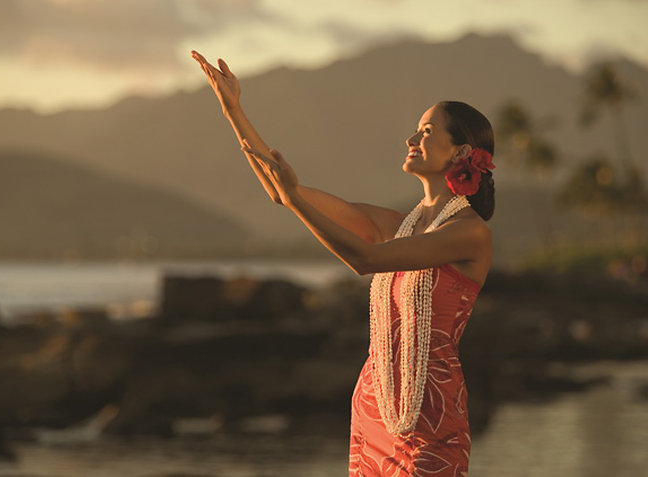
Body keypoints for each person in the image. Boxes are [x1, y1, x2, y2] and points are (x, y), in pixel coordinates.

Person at [191, 50, 494, 477]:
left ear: (461, 150)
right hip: (375, 407)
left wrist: (296, 198)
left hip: (432, 413)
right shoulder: (398, 225)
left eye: (425, 132)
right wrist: (233, 110)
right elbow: (283, 191)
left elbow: (364, 260)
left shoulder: (469, 232)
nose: (411, 140)